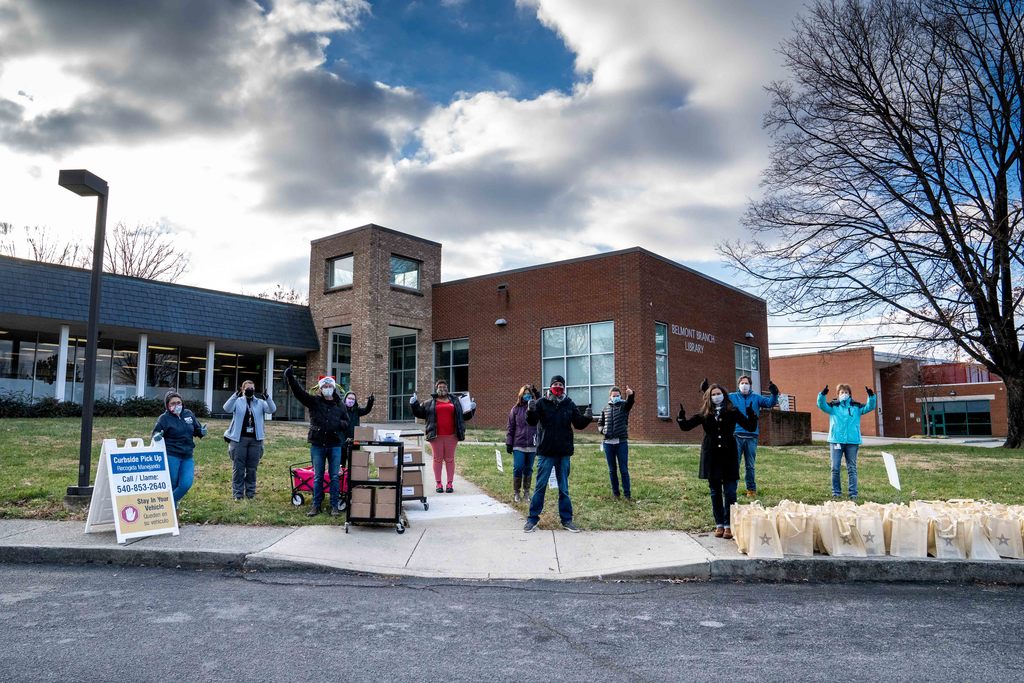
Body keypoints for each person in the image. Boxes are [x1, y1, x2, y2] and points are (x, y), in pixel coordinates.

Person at [677, 383, 758, 540]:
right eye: (713, 394)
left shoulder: (732, 411)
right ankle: (719, 524)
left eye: (718, 393)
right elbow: (686, 427)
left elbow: (749, 426)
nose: (716, 396)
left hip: (729, 455)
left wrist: (751, 414)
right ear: (709, 397)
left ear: (724, 395)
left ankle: (729, 524)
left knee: (729, 491)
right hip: (711, 456)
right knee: (715, 492)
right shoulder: (705, 413)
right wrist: (681, 417)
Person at [523, 375, 593, 533]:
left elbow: (578, 424)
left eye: (561, 384)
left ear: (564, 387)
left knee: (564, 489)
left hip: (563, 453)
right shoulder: (541, 403)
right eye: (555, 384)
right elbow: (532, 422)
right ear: (550, 386)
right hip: (546, 452)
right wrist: (530, 411)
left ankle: (566, 520)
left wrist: (587, 418)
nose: (558, 386)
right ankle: (532, 519)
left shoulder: (569, 403)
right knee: (540, 487)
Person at [283, 366, 349, 517]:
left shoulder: (340, 405)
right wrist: (291, 378)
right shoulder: (314, 402)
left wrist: (338, 425)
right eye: (324, 386)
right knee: (318, 476)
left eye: (329, 386)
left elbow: (347, 421)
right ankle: (316, 505)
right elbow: (299, 394)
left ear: (333, 388)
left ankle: (334, 506)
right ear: (320, 388)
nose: (327, 388)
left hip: (335, 445)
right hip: (318, 444)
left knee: (334, 476)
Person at [702, 375, 780, 498]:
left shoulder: (756, 398)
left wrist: (774, 393)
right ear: (738, 385)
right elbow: (717, 398)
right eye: (742, 383)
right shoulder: (732, 397)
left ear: (750, 385)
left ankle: (751, 490)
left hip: (751, 437)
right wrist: (706, 390)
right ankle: (732, 488)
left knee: (750, 465)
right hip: (736, 436)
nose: (744, 385)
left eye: (746, 383)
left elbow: (770, 403)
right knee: (734, 464)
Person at [411, 378, 476, 493]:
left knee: (450, 459)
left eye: (444, 387)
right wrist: (414, 404)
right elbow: (419, 413)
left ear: (447, 389)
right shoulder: (430, 402)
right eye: (440, 387)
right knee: (437, 459)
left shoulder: (455, 401)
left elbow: (464, 417)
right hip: (436, 436)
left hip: (452, 435)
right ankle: (438, 484)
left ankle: (450, 484)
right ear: (436, 389)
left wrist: (472, 408)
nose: (442, 389)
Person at [816, 383, 876, 500]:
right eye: (842, 392)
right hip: (836, 441)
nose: (844, 394)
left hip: (852, 442)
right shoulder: (833, 407)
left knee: (852, 468)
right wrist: (822, 395)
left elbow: (870, 407)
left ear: (850, 394)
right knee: (835, 468)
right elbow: (821, 405)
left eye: (846, 392)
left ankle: (853, 493)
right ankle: (836, 492)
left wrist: (871, 396)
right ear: (838, 395)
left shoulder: (856, 407)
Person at [222, 379, 276, 500]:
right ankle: (238, 494)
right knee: (238, 468)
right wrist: (235, 395)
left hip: (255, 440)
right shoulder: (238, 401)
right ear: (242, 389)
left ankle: (250, 493)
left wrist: (267, 398)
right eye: (247, 389)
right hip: (239, 439)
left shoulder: (260, 403)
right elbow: (227, 408)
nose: (250, 390)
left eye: (252, 388)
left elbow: (272, 409)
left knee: (252, 468)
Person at [152, 391, 208, 505]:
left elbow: (197, 429)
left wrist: (201, 431)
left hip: (187, 455)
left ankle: (166, 505)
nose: (176, 405)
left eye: (179, 402)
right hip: (172, 454)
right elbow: (155, 432)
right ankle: (173, 514)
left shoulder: (188, 414)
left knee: (185, 484)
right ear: (168, 405)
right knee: (173, 483)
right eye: (173, 403)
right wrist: (157, 436)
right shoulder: (164, 418)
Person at [597, 385, 635, 500]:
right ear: (610, 397)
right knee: (612, 470)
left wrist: (631, 394)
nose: (615, 397)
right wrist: (602, 430)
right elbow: (600, 423)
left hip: (621, 443)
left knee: (623, 469)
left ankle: (627, 494)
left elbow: (630, 402)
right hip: (608, 444)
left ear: (620, 396)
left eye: (617, 396)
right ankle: (616, 493)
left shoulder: (624, 406)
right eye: (613, 396)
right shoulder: (605, 408)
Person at [505, 383, 540, 503]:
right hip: (518, 444)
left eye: (529, 394)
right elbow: (510, 427)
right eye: (524, 394)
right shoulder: (515, 410)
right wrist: (509, 443)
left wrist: (536, 392)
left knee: (528, 469)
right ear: (521, 395)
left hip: (532, 444)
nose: (527, 396)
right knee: (518, 467)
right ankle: (516, 492)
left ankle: (526, 493)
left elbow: (542, 403)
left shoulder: (536, 408)